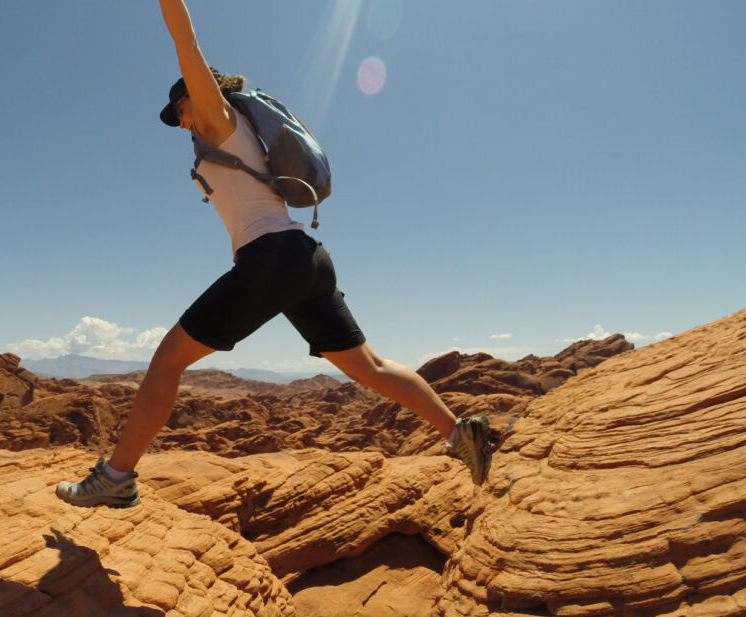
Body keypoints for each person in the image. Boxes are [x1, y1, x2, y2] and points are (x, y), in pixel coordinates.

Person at [55, 0, 493, 509]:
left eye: (179, 112)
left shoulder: (219, 119)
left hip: (273, 259)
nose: (180, 124)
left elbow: (185, 43)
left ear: (195, 97)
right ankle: (461, 431)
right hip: (305, 259)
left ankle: (116, 477)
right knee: (369, 365)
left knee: (167, 360)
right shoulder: (236, 139)